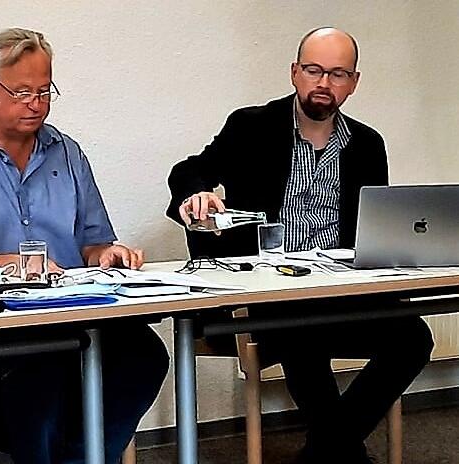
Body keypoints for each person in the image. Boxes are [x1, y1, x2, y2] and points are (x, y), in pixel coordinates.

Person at [166, 27, 433, 463]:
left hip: (342, 292)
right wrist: (197, 193)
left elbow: (374, 227)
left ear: (354, 82)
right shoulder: (251, 126)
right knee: (301, 329)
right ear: (295, 72)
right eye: (313, 70)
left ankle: (325, 452)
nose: (324, 83)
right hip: (270, 295)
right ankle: (342, 454)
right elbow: (187, 171)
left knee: (414, 337)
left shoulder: (367, 144)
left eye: (338, 74)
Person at [0, 28, 169, 464]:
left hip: (73, 312)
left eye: (45, 92)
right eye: (23, 92)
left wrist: (107, 255)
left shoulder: (66, 152)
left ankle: (80, 458)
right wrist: (15, 264)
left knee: (145, 354)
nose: (36, 104)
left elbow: (93, 243)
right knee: (42, 366)